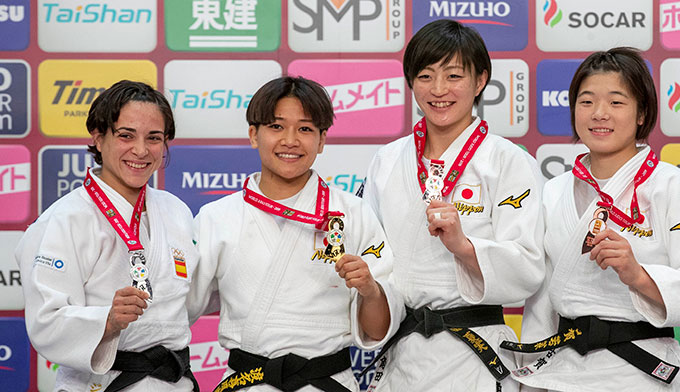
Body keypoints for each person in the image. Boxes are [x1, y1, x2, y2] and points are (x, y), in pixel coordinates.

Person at [504, 47, 680, 391]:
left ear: (642, 113)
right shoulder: (553, 193)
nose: (599, 114)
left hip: (640, 371)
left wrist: (639, 276)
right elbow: (541, 302)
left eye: (616, 102)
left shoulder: (676, 188)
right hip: (564, 371)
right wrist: (531, 381)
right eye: (586, 101)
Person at [361, 19, 545, 391]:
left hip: (474, 356)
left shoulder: (507, 161)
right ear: (411, 81)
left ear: (480, 81)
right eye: (425, 76)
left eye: (453, 76)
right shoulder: (388, 160)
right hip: (404, 354)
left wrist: (464, 247)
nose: (439, 90)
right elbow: (372, 256)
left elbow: (528, 267)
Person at [187, 76, 404, 392]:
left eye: (305, 128)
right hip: (248, 384)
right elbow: (179, 308)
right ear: (253, 134)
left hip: (326, 383)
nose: (290, 140)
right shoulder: (217, 218)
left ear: (321, 140)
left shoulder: (352, 213)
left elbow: (377, 329)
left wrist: (370, 289)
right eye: (276, 127)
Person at [16, 80, 199, 391]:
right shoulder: (64, 219)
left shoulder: (176, 210)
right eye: (126, 135)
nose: (141, 151)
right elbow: (45, 323)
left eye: (153, 138)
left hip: (173, 382)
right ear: (98, 138)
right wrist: (107, 319)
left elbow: (191, 300)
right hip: (101, 384)